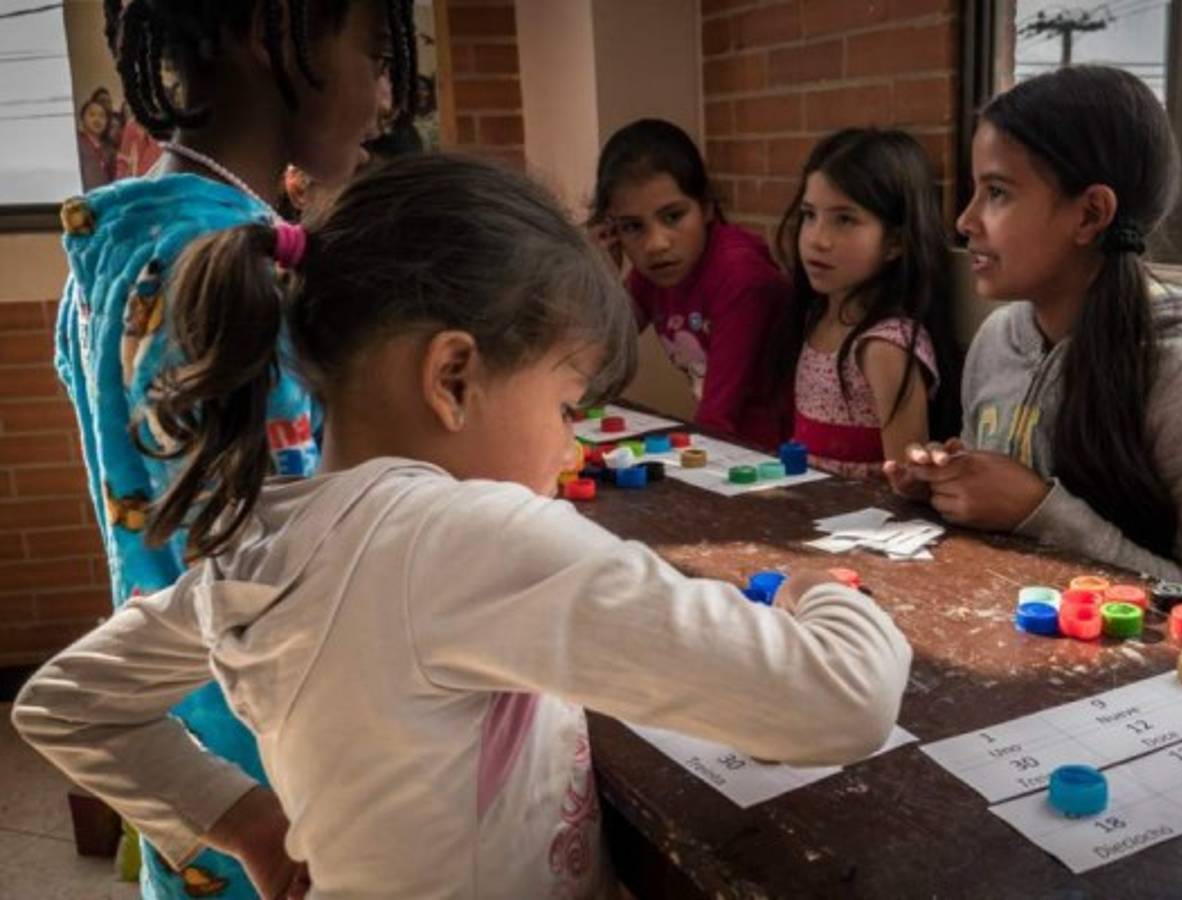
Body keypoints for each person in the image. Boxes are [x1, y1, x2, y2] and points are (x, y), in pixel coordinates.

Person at [17, 154, 912, 899]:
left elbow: (65, 704)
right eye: (566, 406)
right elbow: (839, 699)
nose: (567, 449)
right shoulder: (460, 539)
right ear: (452, 376)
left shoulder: (255, 546)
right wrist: (819, 597)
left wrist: (247, 822)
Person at [53, 1, 417, 896]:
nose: (384, 98)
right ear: (271, 28)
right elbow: (282, 588)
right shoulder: (223, 274)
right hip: (270, 804)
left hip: (185, 765)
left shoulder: (118, 246)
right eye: (375, 54)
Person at [885, 65, 1182, 586]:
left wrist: (1040, 511)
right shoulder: (997, 340)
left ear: (1090, 214)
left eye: (999, 192)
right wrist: (949, 487)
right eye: (974, 190)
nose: (965, 221)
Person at [591, 118, 793, 449]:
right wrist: (598, 275)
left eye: (673, 216)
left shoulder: (741, 276)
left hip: (781, 457)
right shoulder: (652, 273)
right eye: (632, 227)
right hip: (731, 448)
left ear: (707, 206)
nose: (656, 244)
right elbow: (593, 360)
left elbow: (718, 416)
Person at [775, 128, 960, 480]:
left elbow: (907, 484)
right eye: (810, 214)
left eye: (844, 219)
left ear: (894, 242)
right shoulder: (817, 316)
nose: (817, 239)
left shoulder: (886, 346)